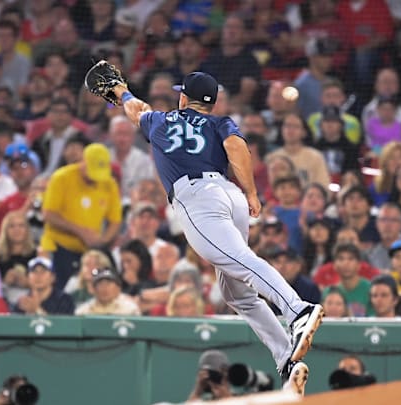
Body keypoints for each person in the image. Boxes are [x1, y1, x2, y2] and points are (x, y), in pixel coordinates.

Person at [115, 71, 322, 382]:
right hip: (229, 195)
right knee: (236, 293)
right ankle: (286, 359)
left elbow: (137, 110)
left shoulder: (161, 121)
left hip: (197, 198)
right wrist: (251, 192)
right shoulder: (218, 121)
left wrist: (121, 92)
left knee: (241, 260)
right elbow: (237, 147)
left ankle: (297, 310)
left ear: (183, 97)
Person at [40, 143, 123, 291]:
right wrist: (80, 231)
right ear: (83, 161)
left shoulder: (109, 183)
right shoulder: (61, 178)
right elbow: (49, 214)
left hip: (89, 250)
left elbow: (115, 221)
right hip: (59, 248)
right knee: (59, 293)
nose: (95, 178)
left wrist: (102, 241)